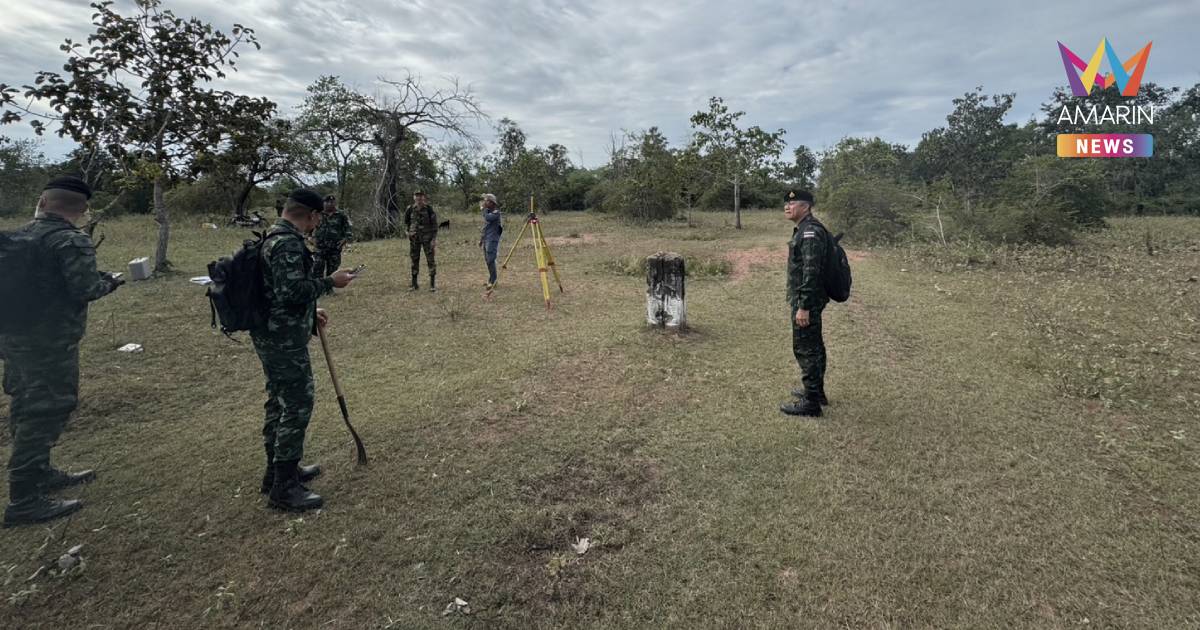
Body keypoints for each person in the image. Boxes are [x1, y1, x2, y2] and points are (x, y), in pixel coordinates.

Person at [2, 176, 123, 527]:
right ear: (83, 209)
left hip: (14, 337)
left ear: (42, 201)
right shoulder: (70, 241)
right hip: (49, 343)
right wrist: (109, 282)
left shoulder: (15, 237)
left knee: (26, 404)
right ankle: (24, 499)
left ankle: (39, 472)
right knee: (46, 409)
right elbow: (85, 288)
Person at [254, 190, 356, 511]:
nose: (317, 224)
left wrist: (310, 313)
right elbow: (291, 290)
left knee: (279, 400)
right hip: (282, 339)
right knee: (297, 402)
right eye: (317, 218)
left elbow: (279, 292)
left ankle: (277, 471)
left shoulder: (270, 237)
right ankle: (284, 488)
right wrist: (330, 282)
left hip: (275, 332)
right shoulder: (286, 243)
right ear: (311, 215)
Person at [779, 189, 830, 417]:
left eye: (792, 204)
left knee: (806, 348)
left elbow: (811, 272)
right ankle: (816, 392)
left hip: (807, 300)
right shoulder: (806, 229)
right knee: (814, 346)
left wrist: (803, 306)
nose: (787, 207)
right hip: (809, 298)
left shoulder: (809, 233)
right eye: (786, 205)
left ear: (806, 207)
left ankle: (811, 403)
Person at [404, 191, 438, 292]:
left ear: (423, 197)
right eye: (417, 196)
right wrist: (407, 232)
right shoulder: (410, 209)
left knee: (430, 260)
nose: (418, 198)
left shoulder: (428, 209)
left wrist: (434, 239)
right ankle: (414, 284)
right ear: (414, 197)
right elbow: (406, 223)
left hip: (427, 238)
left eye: (420, 196)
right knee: (414, 260)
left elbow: (434, 225)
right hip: (414, 239)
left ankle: (432, 285)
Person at [312, 195, 353, 278]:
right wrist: (310, 237)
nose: (330, 204)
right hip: (320, 247)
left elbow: (348, 228)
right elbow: (310, 225)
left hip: (335, 247)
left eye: (332, 202)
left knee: (333, 270)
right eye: (327, 202)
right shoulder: (318, 214)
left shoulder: (341, 215)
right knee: (317, 269)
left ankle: (329, 288)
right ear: (324, 203)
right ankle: (318, 288)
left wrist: (345, 239)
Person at [478, 193, 503, 289]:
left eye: (487, 201)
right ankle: (491, 280)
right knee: (488, 261)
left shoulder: (496, 213)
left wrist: (483, 209)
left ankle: (493, 281)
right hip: (486, 239)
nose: (485, 202)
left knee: (490, 260)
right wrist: (481, 239)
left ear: (492, 203)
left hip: (492, 240)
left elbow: (487, 218)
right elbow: (485, 227)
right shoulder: (488, 212)